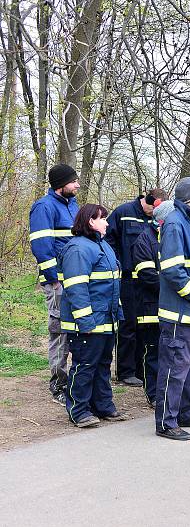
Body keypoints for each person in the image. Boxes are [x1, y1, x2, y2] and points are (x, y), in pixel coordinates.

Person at [154, 177, 190, 441]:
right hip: (179, 312)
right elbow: (172, 272)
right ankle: (166, 422)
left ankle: (184, 412)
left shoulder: (187, 223)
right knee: (174, 367)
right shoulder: (176, 225)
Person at [58, 203, 127, 427]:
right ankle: (79, 411)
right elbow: (77, 289)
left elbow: (111, 286)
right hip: (88, 323)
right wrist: (85, 321)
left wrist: (118, 314)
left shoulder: (103, 246)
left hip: (106, 321)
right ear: (90, 222)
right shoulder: (77, 249)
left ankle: (103, 406)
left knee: (103, 365)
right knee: (85, 366)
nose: (107, 222)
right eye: (103, 218)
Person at [106, 188, 168, 387]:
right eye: (154, 208)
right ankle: (126, 371)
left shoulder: (155, 221)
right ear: (147, 201)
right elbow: (108, 239)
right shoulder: (123, 213)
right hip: (127, 280)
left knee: (146, 326)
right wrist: (117, 263)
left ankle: (142, 370)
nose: (155, 213)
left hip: (148, 281)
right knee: (128, 325)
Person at [29, 164, 80, 405]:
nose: (77, 184)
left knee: (74, 329)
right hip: (58, 282)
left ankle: (75, 379)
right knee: (59, 330)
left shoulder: (73, 205)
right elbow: (41, 247)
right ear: (60, 184)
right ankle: (58, 383)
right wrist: (55, 278)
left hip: (76, 279)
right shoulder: (44, 207)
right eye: (73, 181)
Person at [131, 200, 174, 407]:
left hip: (170, 307)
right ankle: (154, 394)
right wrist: (174, 287)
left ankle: (168, 392)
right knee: (153, 353)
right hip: (150, 307)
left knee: (169, 353)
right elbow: (148, 275)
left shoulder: (170, 236)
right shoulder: (144, 240)